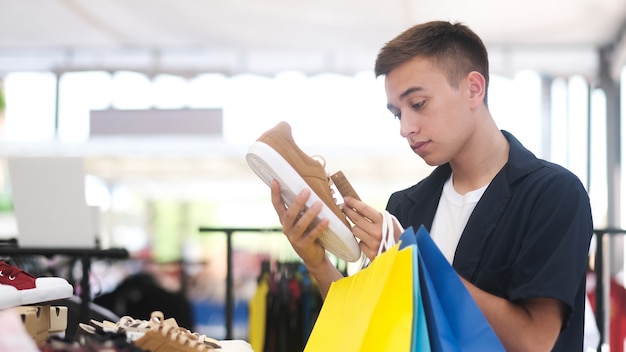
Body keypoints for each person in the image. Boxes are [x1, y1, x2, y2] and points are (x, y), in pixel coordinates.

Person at [268, 21, 593, 351]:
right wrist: (317, 263)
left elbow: (533, 340)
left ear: (473, 89)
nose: (405, 128)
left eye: (418, 104)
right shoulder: (405, 206)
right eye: (397, 114)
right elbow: (368, 328)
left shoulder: (554, 195)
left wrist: (412, 256)